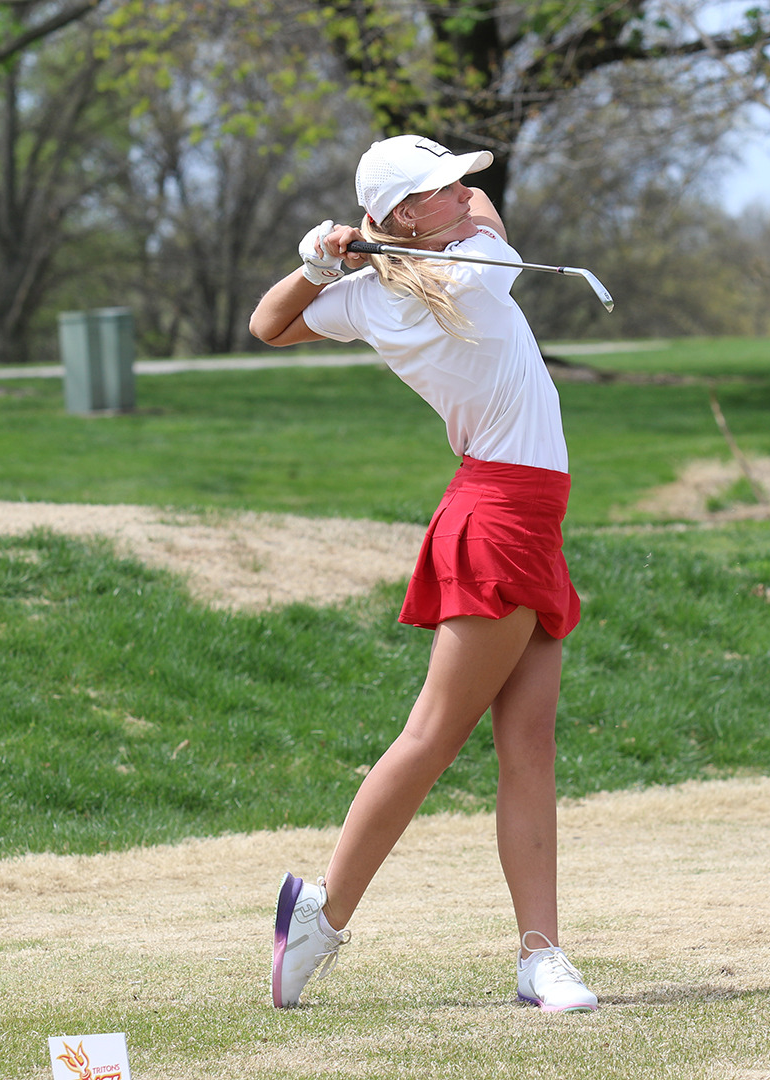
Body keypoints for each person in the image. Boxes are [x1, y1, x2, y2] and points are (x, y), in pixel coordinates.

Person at [248, 134, 597, 1014]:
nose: (465, 194)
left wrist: (319, 266)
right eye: (442, 187)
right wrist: (348, 254)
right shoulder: (477, 267)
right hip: (501, 513)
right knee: (434, 736)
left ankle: (540, 957)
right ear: (407, 215)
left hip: (518, 512)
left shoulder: (371, 296)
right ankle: (322, 917)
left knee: (529, 748)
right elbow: (487, 214)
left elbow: (271, 324)